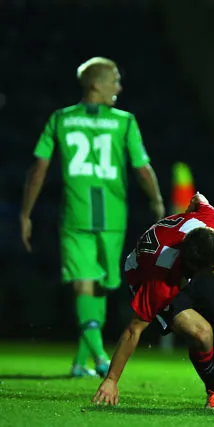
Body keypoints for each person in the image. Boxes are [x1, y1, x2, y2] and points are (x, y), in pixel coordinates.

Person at [20, 57, 165, 378]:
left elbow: (38, 168)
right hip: (112, 216)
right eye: (114, 79)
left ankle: (79, 361)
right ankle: (100, 357)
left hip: (75, 212)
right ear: (96, 84)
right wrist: (156, 200)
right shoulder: (124, 121)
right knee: (90, 284)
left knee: (93, 285)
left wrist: (26, 212)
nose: (119, 86)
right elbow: (142, 168)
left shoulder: (61, 119)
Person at [92, 193, 214, 410]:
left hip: (184, 264)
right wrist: (111, 380)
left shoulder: (213, 225)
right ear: (196, 268)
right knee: (202, 334)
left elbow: (199, 197)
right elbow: (133, 330)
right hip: (149, 274)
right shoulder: (159, 281)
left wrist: (191, 207)